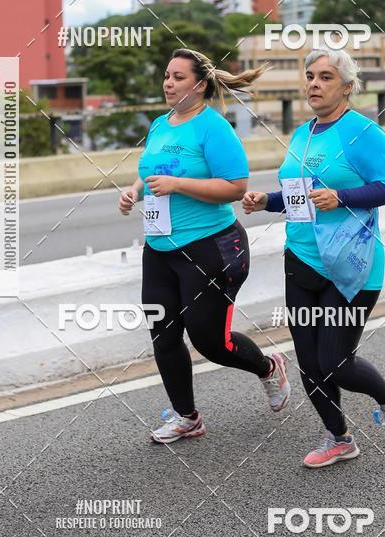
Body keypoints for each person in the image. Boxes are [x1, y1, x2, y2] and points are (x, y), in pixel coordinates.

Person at [242, 46, 385, 468]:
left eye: (325, 77)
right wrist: (268, 200)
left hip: (350, 266)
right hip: (301, 260)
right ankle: (339, 438)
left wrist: (343, 197)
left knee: (334, 362)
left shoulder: (362, 133)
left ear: (348, 88)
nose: (314, 84)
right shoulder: (303, 134)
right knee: (308, 360)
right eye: (311, 76)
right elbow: (301, 195)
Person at [119, 47, 290, 443]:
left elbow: (235, 187)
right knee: (162, 334)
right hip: (160, 249)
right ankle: (186, 416)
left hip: (212, 248)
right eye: (166, 75)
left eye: (178, 77)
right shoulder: (161, 125)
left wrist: (178, 185)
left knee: (211, 342)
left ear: (199, 85)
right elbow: (154, 173)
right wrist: (134, 190)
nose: (167, 82)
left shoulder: (214, 128)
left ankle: (267, 366)